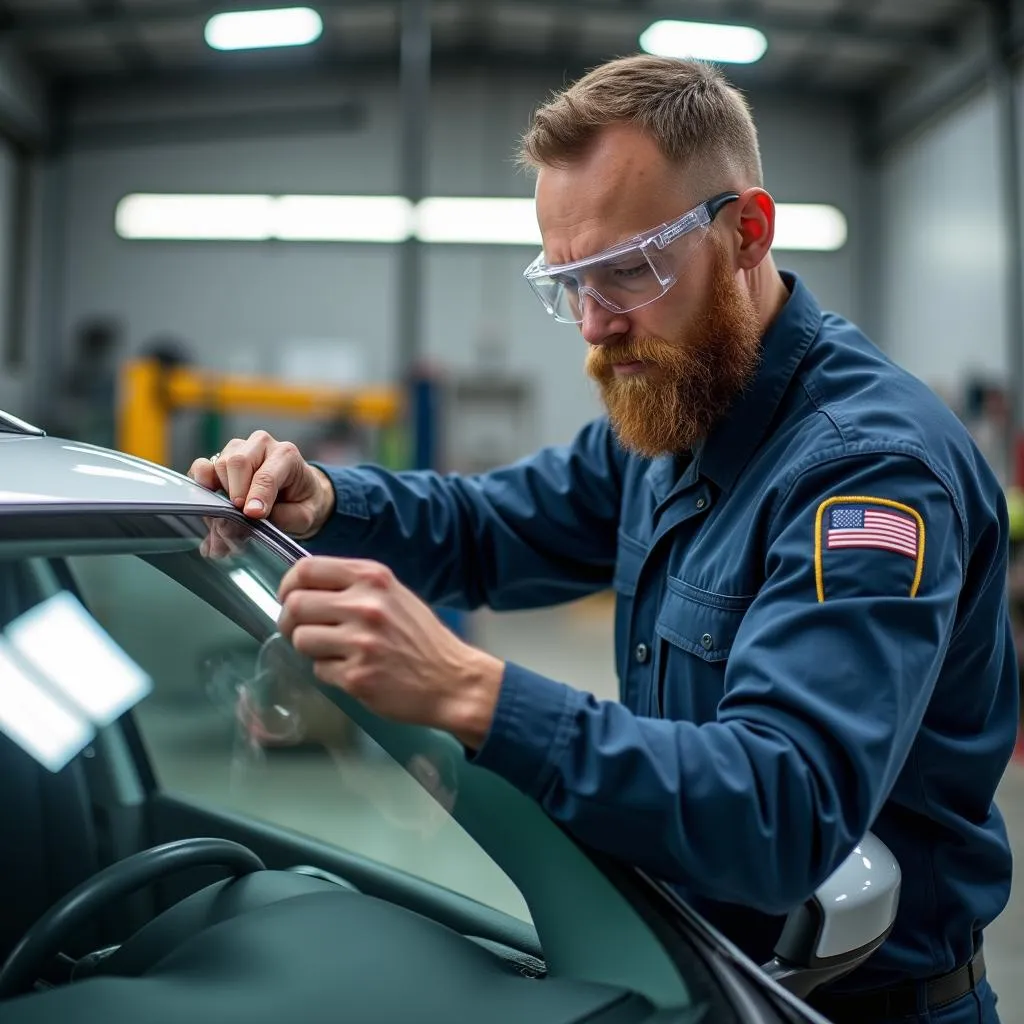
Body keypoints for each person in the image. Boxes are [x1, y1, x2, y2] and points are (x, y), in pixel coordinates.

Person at [189, 56, 1016, 1023]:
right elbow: (490, 526)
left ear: (746, 233)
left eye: (628, 270)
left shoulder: (866, 472)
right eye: (569, 282)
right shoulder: (675, 411)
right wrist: (326, 498)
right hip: (692, 967)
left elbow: (784, 809)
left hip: (851, 1003)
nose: (594, 326)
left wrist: (471, 691)